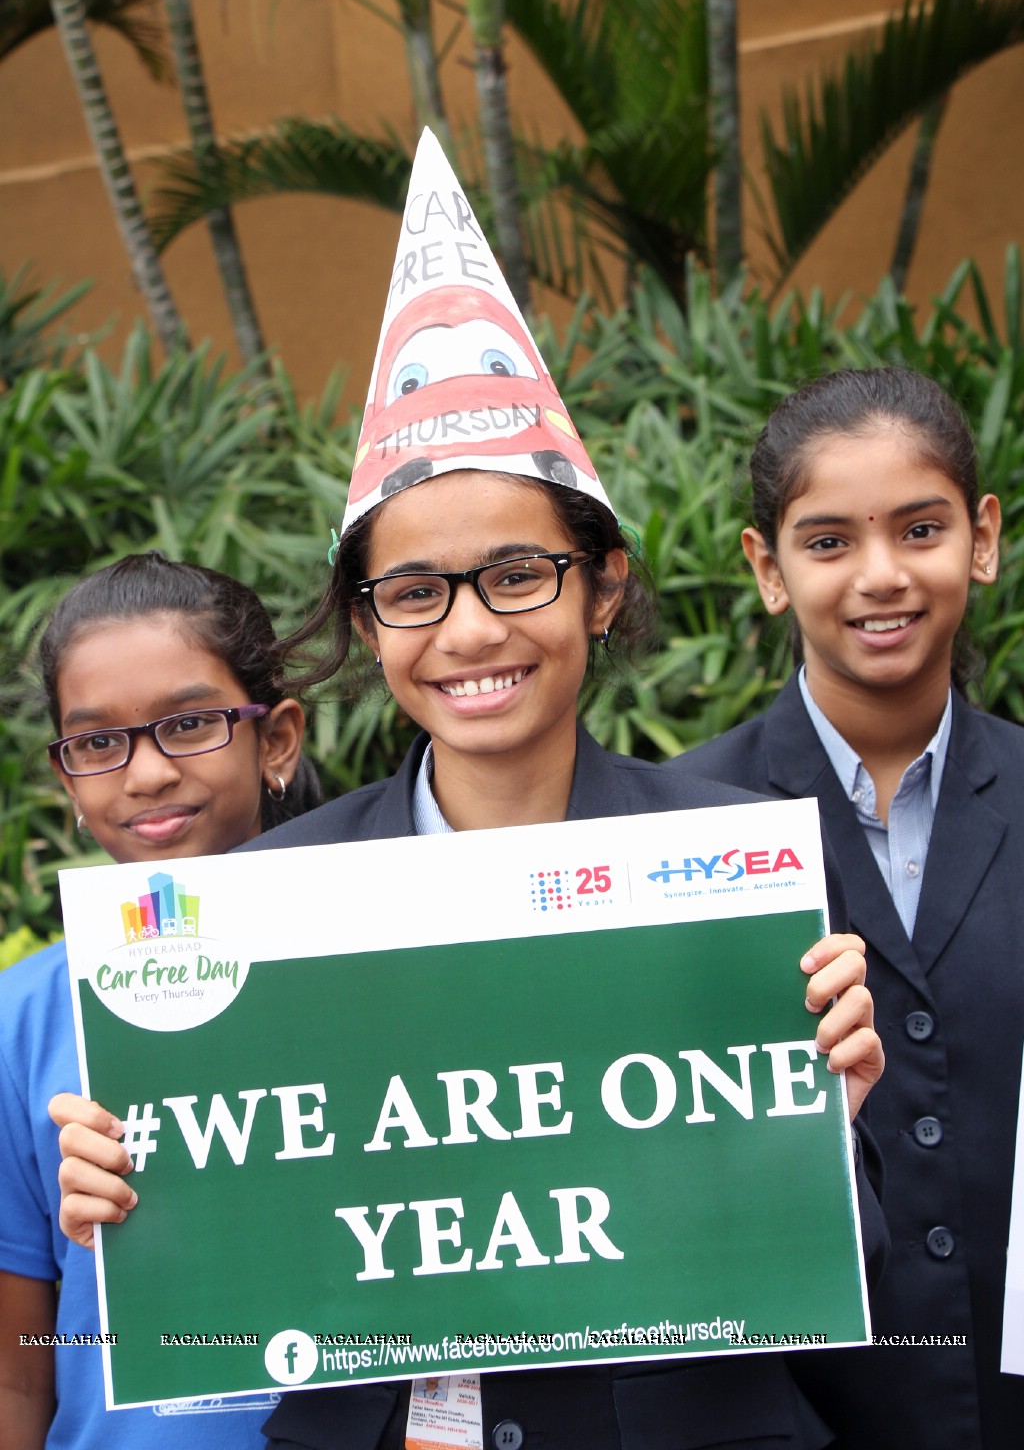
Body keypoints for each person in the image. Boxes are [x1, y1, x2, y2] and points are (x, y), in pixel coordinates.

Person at [51, 132, 885, 1450]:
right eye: (414, 593)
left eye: (517, 575)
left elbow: (848, 1264)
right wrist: (133, 1194)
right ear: (369, 621)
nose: (469, 632)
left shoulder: (737, 864)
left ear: (600, 585)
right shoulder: (272, 904)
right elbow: (228, 1278)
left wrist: (828, 1120)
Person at [677, 367, 1024, 1449]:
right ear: (765, 568)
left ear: (981, 537)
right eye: (827, 542)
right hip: (794, 1420)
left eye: (919, 529)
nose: (880, 576)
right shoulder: (675, 834)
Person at [1, 552, 317, 1449]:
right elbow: (16, 1369)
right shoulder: (21, 1022)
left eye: (188, 724)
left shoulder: (389, 968)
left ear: (278, 740)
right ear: (68, 776)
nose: (144, 774)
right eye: (98, 742)